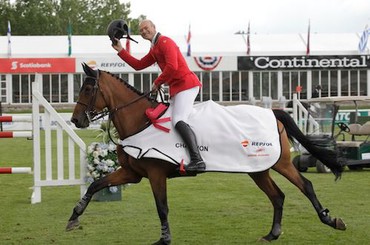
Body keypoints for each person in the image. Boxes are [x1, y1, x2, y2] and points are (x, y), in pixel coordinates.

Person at [111, 19, 206, 173]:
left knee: (178, 120)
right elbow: (138, 65)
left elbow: (172, 67)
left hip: (187, 85)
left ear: (154, 27)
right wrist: (121, 50)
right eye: (141, 30)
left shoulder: (165, 42)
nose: (143, 31)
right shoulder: (155, 47)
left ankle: (197, 160)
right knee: (169, 120)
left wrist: (158, 82)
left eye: (146, 28)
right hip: (178, 88)